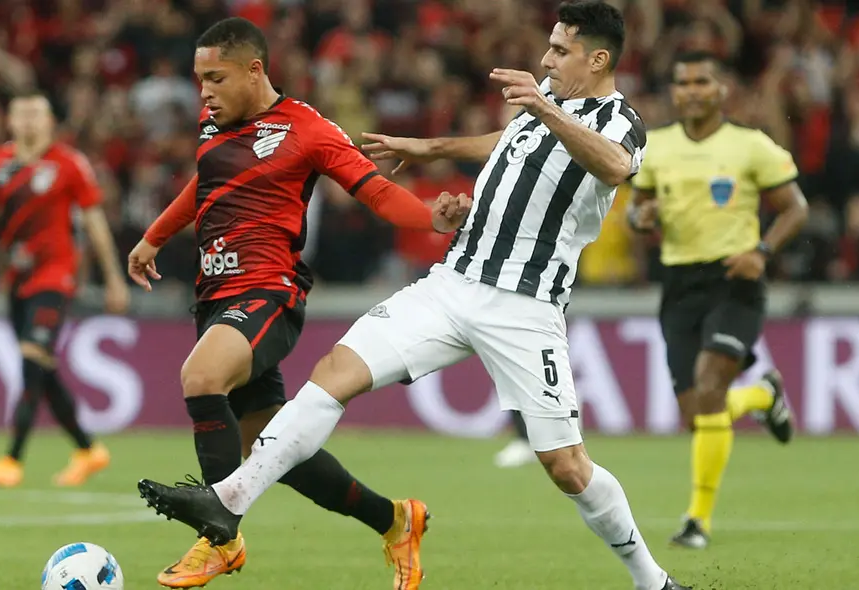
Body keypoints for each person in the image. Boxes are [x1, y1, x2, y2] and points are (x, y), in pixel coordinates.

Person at [135, 3, 689, 589]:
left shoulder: (617, 119)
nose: (546, 59)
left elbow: (615, 167)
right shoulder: (538, 116)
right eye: (548, 47)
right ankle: (229, 502)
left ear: (598, 58)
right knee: (334, 372)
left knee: (566, 466)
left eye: (560, 51)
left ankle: (651, 580)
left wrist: (545, 106)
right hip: (452, 285)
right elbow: (502, 143)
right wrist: (428, 148)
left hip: (525, 308)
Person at [125, 17, 469, 590]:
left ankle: (219, 538)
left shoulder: (305, 128)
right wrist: (155, 235)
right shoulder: (214, 127)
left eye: (215, 77)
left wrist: (429, 217)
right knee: (276, 449)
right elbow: (204, 183)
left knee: (201, 376)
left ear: (254, 70)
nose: (204, 91)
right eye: (198, 79)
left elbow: (373, 188)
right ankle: (396, 520)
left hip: (268, 292)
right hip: (214, 296)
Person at [628, 51, 808, 549]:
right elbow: (639, 208)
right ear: (674, 91)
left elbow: (796, 208)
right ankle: (762, 396)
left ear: (721, 89)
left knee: (709, 390)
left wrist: (763, 251)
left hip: (736, 279)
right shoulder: (656, 147)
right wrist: (639, 219)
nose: (691, 90)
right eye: (682, 82)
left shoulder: (751, 146)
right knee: (697, 415)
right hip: (680, 285)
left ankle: (696, 521)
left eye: (701, 81)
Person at [0, 90, 130, 488]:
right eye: (21, 114)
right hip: (17, 281)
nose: (28, 121)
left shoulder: (69, 163)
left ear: (51, 121)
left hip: (55, 277)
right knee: (41, 368)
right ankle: (89, 450)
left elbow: (94, 222)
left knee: (32, 356)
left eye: (36, 113)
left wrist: (113, 278)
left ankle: (11, 458)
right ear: (10, 121)